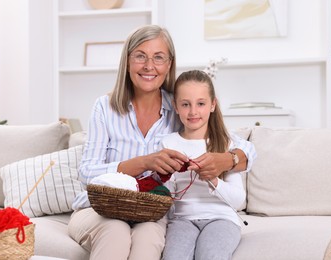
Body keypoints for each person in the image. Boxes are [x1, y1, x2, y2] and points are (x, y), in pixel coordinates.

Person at [67, 24, 256, 260]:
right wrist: (144, 162)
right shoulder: (105, 108)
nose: (149, 66)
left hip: (151, 212)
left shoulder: (180, 107)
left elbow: (244, 148)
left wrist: (226, 160)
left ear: (169, 64)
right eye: (140, 56)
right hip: (100, 209)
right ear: (127, 61)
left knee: (147, 240)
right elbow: (87, 173)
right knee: (116, 233)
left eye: (158, 57)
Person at [161, 70, 253, 260]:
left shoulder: (225, 145)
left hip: (221, 218)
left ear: (213, 105)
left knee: (210, 256)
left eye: (201, 104)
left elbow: (237, 200)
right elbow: (166, 196)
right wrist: (166, 179)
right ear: (175, 107)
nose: (193, 111)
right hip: (182, 220)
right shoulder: (168, 143)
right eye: (185, 104)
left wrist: (213, 178)